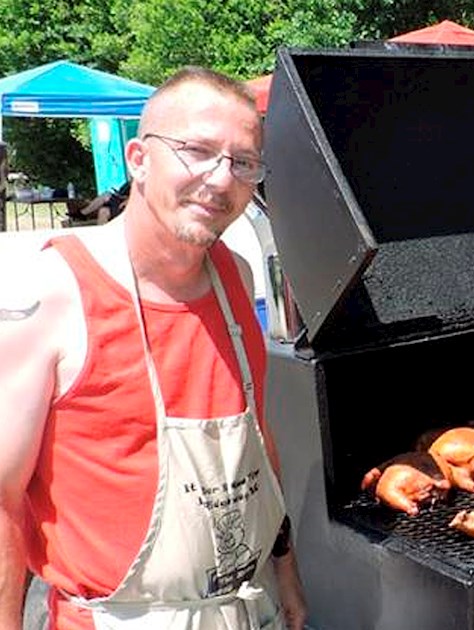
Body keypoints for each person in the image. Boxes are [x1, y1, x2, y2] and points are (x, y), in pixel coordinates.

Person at [0, 67, 307, 629]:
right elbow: (2, 499)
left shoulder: (236, 278)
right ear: (139, 158)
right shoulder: (53, 293)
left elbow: (256, 450)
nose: (221, 179)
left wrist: (286, 573)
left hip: (245, 608)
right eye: (197, 150)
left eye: (243, 162)